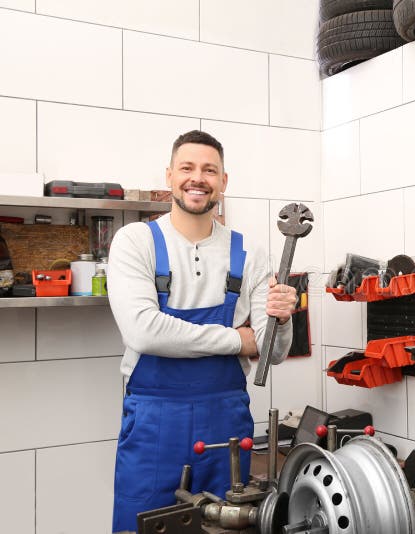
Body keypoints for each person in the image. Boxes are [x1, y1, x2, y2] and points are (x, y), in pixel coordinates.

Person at [107, 130, 296, 533]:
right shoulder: (135, 241)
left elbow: (272, 351)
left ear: (223, 181)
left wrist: (283, 319)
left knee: (228, 525)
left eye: (210, 170)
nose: (198, 178)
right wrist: (237, 339)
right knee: (145, 525)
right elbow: (145, 331)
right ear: (170, 176)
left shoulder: (250, 252)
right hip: (154, 425)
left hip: (226, 426)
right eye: (187, 168)